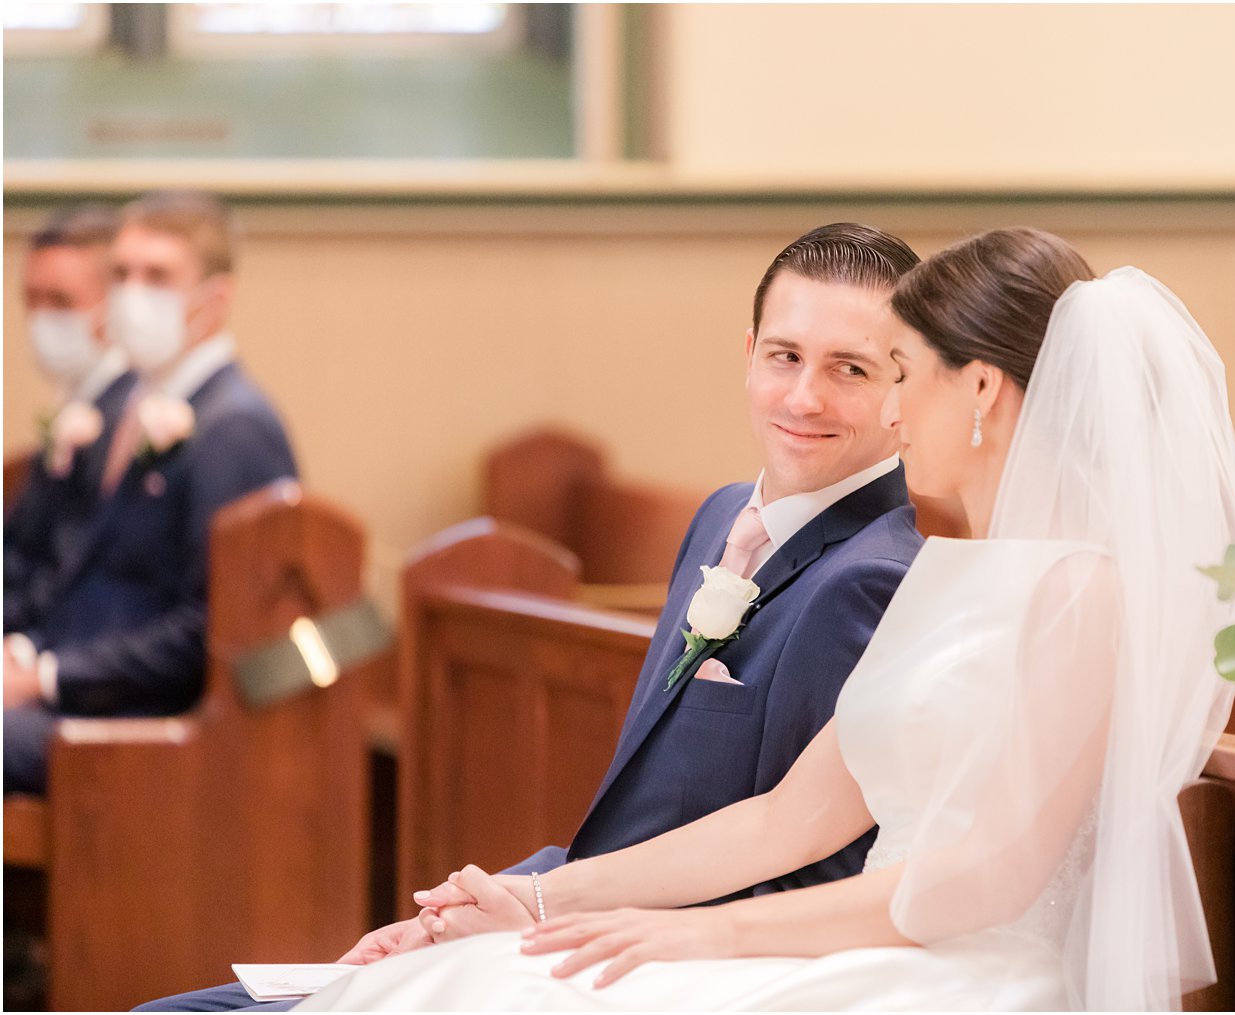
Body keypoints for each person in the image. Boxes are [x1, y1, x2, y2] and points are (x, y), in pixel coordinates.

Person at [298, 227, 1235, 1011]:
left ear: (978, 389)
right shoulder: (954, 571)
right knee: (487, 971)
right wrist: (532, 900)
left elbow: (987, 879)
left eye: (903, 374)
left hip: (962, 971)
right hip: (861, 945)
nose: (893, 416)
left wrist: (703, 935)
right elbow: (787, 819)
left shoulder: (1084, 592)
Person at [137, 222, 925, 1011]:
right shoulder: (723, 514)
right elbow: (639, 826)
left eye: (848, 369)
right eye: (784, 356)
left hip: (661, 968)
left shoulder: (869, 577)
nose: (802, 396)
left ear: (905, 388)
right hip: (571, 913)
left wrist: (535, 915)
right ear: (748, 350)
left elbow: (799, 864)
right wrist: (481, 903)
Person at [3, 190, 298, 796]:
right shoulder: (141, 409)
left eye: (157, 275)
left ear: (213, 299)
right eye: (121, 273)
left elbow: (212, 627)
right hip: (81, 690)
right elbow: (82, 568)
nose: (131, 293)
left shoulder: (233, 427)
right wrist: (24, 650)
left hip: (142, 717)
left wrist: (48, 676)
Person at [5, 205, 136, 635]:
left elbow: (69, 573)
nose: (42, 320)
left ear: (115, 304)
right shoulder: (74, 407)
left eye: (60, 302)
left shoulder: (125, 420)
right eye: (32, 301)